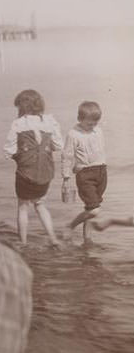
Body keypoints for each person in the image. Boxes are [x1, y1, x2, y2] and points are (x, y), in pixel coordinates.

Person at [3, 89, 63, 247]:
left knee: (23, 206)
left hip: (26, 172)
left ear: (22, 107)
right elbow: (58, 145)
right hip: (45, 172)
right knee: (40, 204)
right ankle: (53, 238)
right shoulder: (50, 121)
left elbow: (8, 150)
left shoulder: (18, 123)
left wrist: (20, 154)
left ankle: (23, 242)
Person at [61, 101, 107, 245]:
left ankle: (87, 240)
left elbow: (99, 151)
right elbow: (67, 156)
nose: (93, 126)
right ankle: (70, 225)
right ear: (79, 119)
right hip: (85, 174)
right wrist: (66, 177)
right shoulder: (73, 134)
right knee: (94, 210)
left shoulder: (98, 131)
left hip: (101, 171)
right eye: (89, 124)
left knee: (90, 208)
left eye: (95, 123)